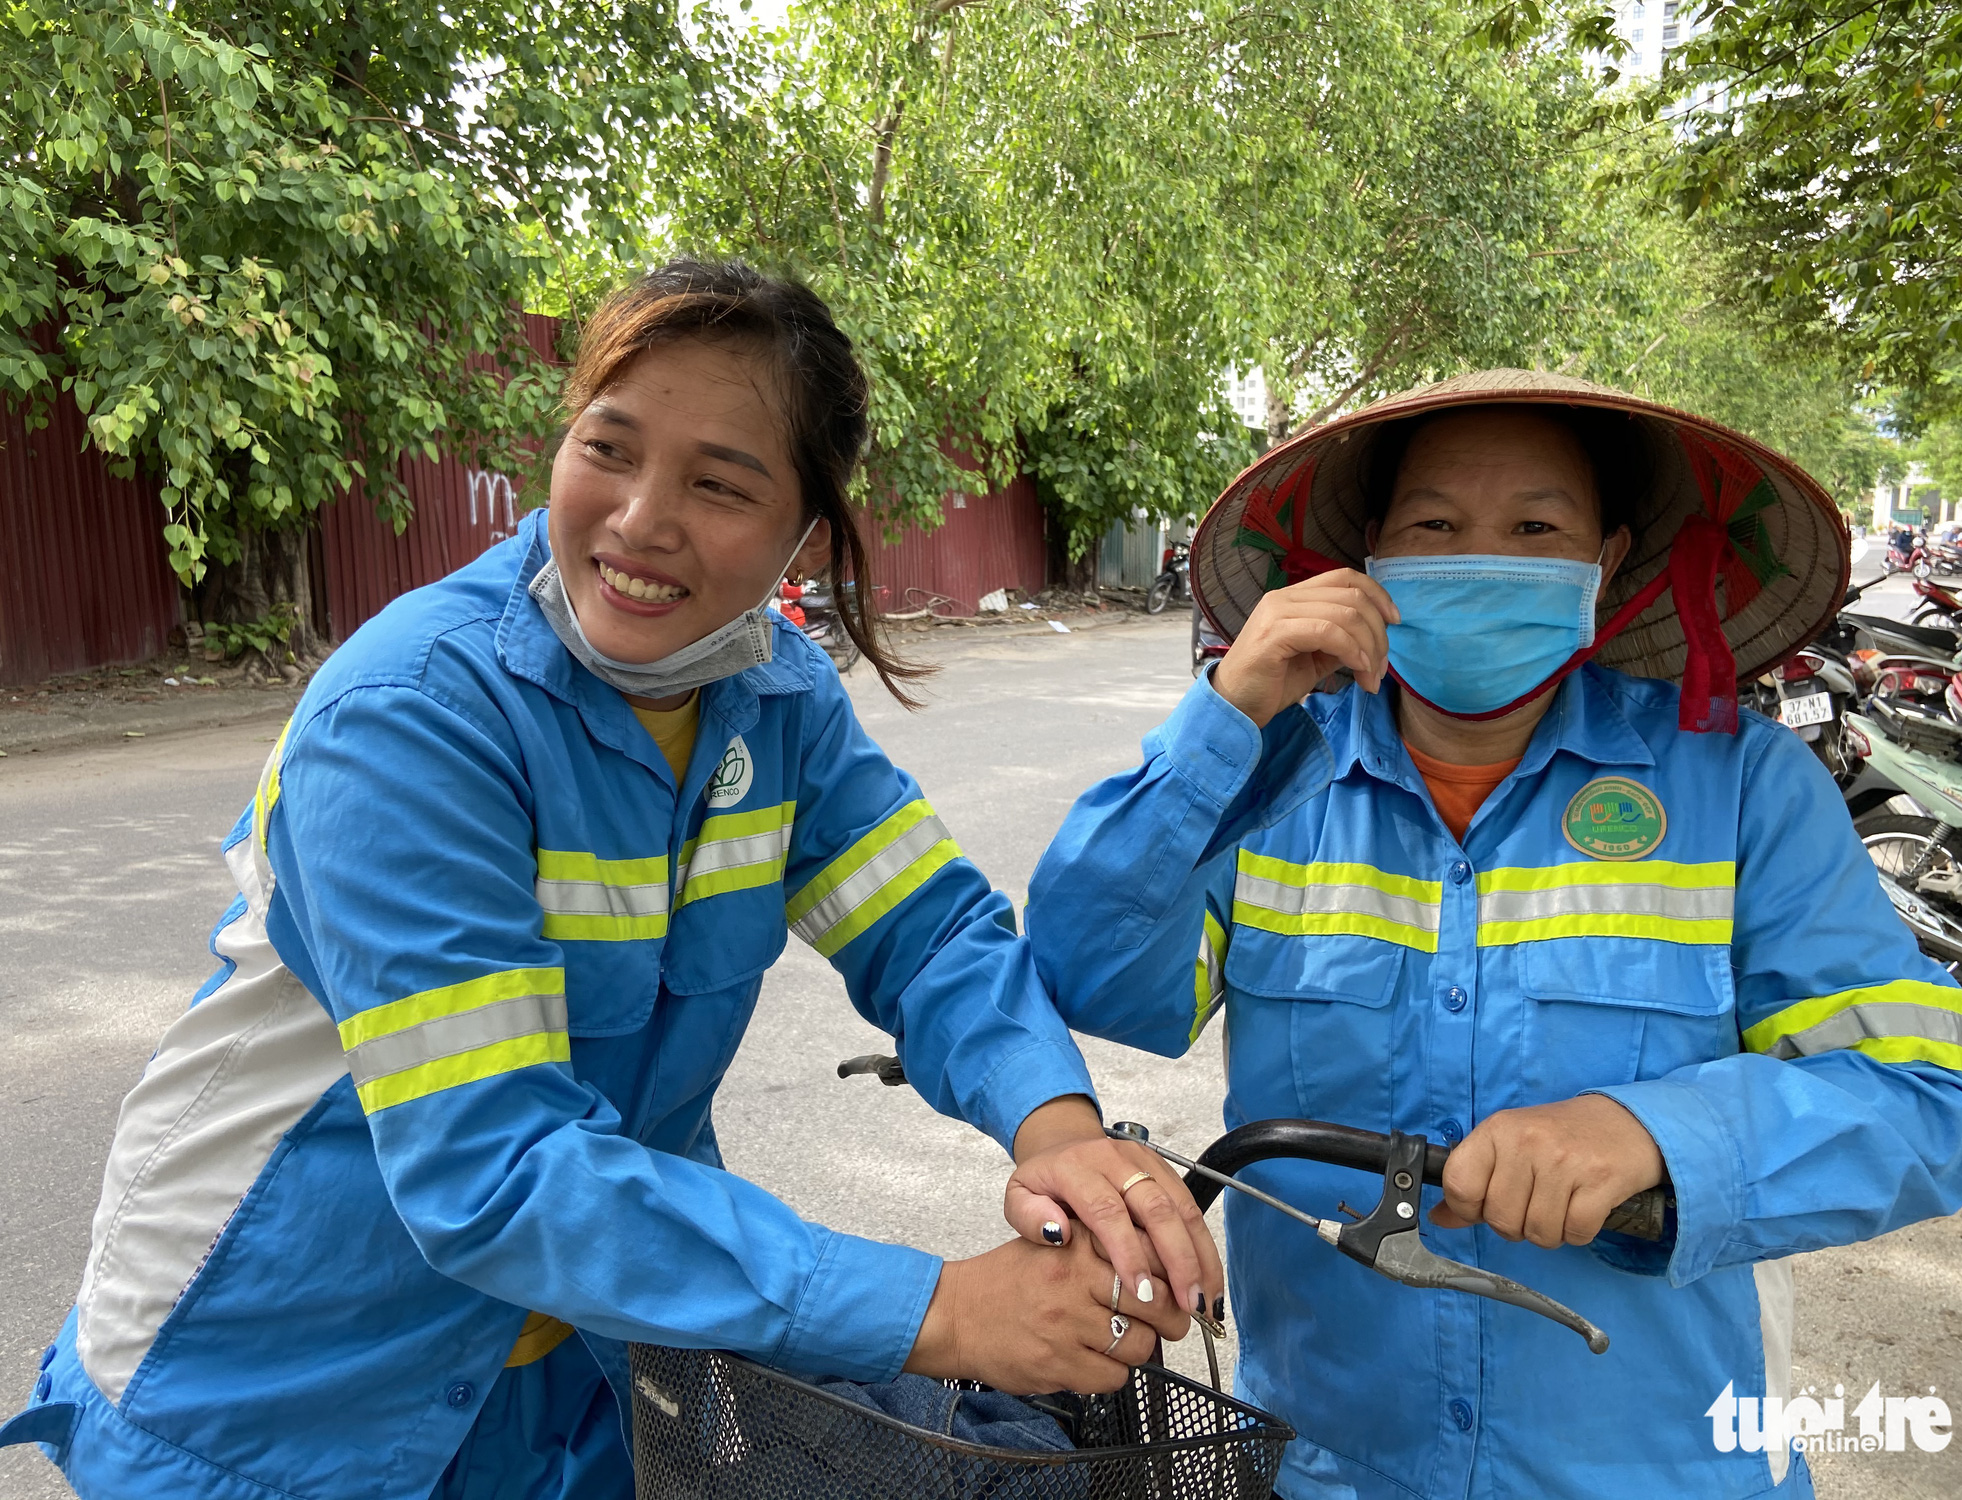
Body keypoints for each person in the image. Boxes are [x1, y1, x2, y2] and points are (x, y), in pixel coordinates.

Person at [1, 261, 1222, 1500]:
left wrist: (1058, 1129)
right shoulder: (411, 715)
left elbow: (929, 933)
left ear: (803, 534)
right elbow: (492, 1162)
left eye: (719, 484)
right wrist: (939, 1312)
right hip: (284, 1386)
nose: (641, 518)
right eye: (609, 447)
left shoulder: (775, 701)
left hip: (581, 1368)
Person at [1025, 371, 1962, 1499]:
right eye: (1432, 525)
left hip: (1659, 1471)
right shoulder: (1258, 781)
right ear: (1369, 560)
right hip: (1323, 1470)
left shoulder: (1744, 788)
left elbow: (1921, 1104)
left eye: (1534, 526)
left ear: (1606, 559)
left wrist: (1654, 1134)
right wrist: (1222, 721)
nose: (1479, 552)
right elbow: (1084, 973)